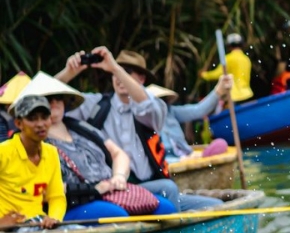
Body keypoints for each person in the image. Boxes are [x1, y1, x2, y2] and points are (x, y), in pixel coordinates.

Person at [55, 48, 220, 212]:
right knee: (168, 188)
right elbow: (43, 101)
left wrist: (116, 69)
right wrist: (68, 72)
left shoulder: (151, 108)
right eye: (115, 73)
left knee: (216, 206)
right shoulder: (96, 105)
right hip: (115, 186)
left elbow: (147, 106)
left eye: (127, 72)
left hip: (150, 185)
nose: (119, 78)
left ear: (141, 79)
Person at [21, 72, 178, 222]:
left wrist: (118, 177)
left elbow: (118, 154)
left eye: (58, 98)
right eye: (48, 99)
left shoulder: (81, 127)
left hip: (110, 192)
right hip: (73, 202)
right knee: (116, 215)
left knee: (165, 208)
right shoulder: (31, 140)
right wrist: (93, 190)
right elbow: (40, 189)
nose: (54, 103)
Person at [0, 94, 64, 231]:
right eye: (32, 119)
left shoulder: (52, 153)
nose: (40, 124)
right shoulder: (3, 152)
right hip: (12, 228)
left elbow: (56, 197)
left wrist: (54, 218)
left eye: (44, 117)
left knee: (79, 232)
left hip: (39, 222)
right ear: (18, 123)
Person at [146, 77, 233, 161]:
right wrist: (180, 160)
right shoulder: (144, 122)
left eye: (163, 100)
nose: (161, 105)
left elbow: (199, 110)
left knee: (221, 144)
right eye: (157, 101)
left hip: (186, 154)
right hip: (168, 161)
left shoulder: (170, 112)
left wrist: (218, 91)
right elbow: (154, 158)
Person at [201, 33, 254, 102]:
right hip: (248, 94)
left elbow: (218, 74)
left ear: (229, 46)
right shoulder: (246, 59)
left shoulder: (228, 59)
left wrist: (204, 75)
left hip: (234, 97)